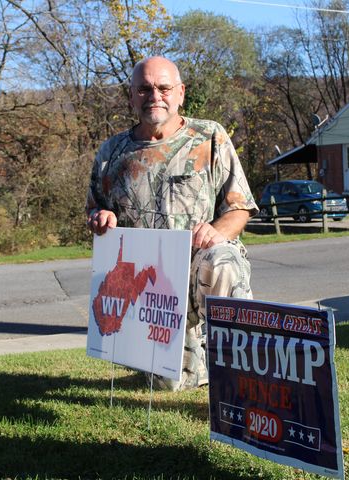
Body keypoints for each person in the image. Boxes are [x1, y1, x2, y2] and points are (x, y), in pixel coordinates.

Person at [86, 56, 258, 391]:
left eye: (164, 88)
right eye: (145, 89)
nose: (155, 96)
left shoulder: (210, 136)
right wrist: (100, 219)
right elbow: (96, 211)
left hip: (199, 273)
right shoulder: (111, 152)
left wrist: (217, 231)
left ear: (180, 92)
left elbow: (240, 209)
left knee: (223, 262)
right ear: (132, 95)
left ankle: (244, 372)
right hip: (151, 294)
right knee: (171, 386)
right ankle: (197, 362)